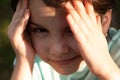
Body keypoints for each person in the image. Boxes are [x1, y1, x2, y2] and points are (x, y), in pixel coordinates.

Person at [8, 0, 120, 80]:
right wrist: (23, 60)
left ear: (104, 21)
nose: (58, 49)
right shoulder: (32, 59)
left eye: (72, 29)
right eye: (40, 30)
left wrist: (108, 71)